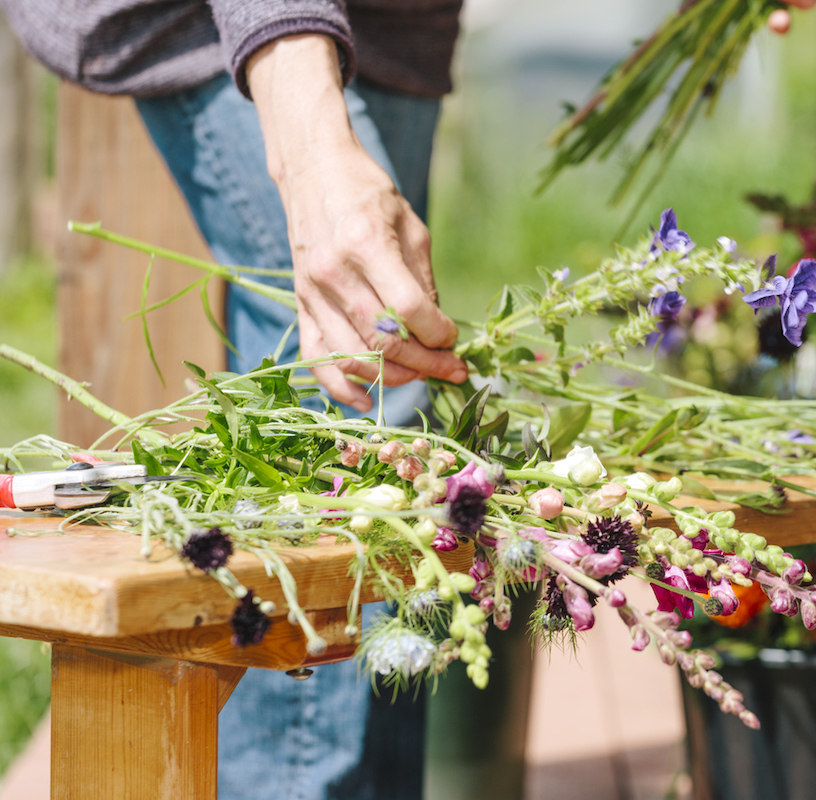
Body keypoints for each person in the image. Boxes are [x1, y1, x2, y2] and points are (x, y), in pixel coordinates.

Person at [0, 2, 469, 798]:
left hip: (392, 25)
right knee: (358, 412)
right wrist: (311, 144)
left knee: (397, 436)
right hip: (229, 19)